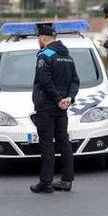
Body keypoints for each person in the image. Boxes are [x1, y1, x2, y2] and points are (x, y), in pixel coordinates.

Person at [30, 23, 80, 194]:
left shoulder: (45, 55)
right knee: (63, 142)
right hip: (62, 107)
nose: (38, 40)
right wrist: (69, 98)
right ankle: (67, 180)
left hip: (47, 105)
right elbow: (75, 81)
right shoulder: (67, 56)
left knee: (46, 144)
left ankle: (46, 182)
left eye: (38, 37)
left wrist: (58, 99)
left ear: (43, 37)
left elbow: (44, 81)